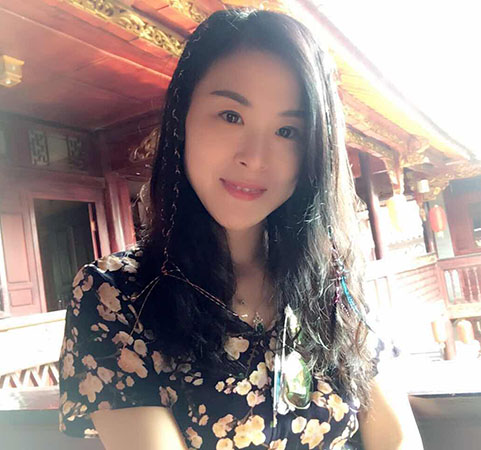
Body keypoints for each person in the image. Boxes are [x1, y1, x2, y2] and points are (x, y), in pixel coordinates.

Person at [58, 8, 423, 450]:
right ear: (182, 121)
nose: (255, 157)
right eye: (231, 115)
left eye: (287, 130)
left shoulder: (332, 280)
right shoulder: (116, 296)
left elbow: (398, 439)